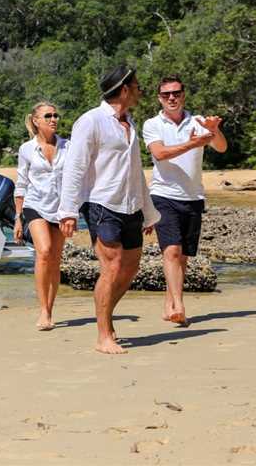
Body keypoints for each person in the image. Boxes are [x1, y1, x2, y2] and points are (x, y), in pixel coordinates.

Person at [58, 66, 160, 354]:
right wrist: (68, 211)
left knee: (130, 268)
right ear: (124, 90)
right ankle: (103, 335)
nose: (140, 91)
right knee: (112, 266)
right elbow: (75, 167)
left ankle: (106, 317)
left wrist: (148, 212)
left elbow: (136, 171)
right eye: (137, 86)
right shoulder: (90, 121)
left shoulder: (129, 122)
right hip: (101, 203)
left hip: (131, 205)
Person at [143, 75, 227, 326]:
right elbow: (160, 153)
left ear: (183, 94)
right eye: (167, 94)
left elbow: (221, 148)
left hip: (193, 196)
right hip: (163, 195)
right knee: (172, 250)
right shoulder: (152, 124)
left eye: (176, 93)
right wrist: (192, 143)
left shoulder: (198, 121)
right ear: (159, 98)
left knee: (183, 257)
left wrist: (213, 130)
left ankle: (169, 305)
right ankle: (179, 305)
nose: (172, 98)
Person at [14, 102, 68, 331]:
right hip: (35, 206)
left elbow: (77, 177)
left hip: (61, 209)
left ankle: (50, 307)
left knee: (55, 260)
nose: (53, 119)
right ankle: (43, 311)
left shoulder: (68, 146)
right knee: (44, 251)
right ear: (36, 121)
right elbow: (22, 183)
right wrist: (18, 217)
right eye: (48, 116)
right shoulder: (26, 149)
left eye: (56, 115)